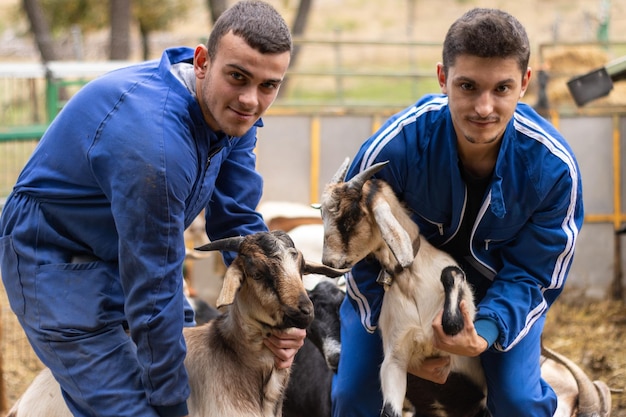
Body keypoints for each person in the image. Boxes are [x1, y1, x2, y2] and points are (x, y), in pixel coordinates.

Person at [0, 1, 306, 416]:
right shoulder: (156, 147)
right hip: (54, 256)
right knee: (137, 406)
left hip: (131, 249)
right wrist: (171, 405)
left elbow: (236, 221)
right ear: (202, 62)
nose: (251, 100)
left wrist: (277, 309)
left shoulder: (230, 114)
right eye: (238, 77)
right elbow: (153, 287)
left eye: (268, 85)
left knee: (183, 368)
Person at [331, 8, 583, 417]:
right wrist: (398, 333)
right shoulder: (393, 150)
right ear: (442, 78)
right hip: (397, 296)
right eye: (467, 86)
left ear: (524, 83)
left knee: (520, 402)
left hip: (497, 295)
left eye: (501, 88)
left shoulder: (552, 169)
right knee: (353, 394)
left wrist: (483, 332)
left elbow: (536, 274)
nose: (484, 107)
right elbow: (354, 247)